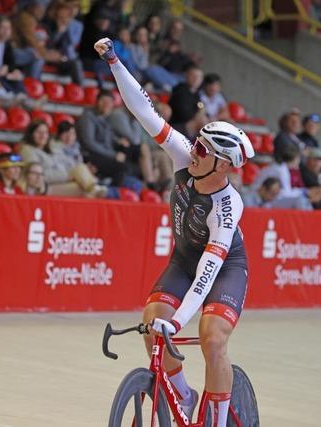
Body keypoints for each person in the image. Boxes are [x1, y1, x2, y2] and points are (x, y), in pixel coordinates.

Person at [95, 37, 256, 426]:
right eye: (197, 143)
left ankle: (217, 420)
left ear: (222, 166)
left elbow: (206, 277)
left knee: (212, 338)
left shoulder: (228, 206)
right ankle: (181, 394)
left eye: (202, 150)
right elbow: (144, 112)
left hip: (222, 269)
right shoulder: (185, 156)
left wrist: (179, 321)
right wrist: (115, 62)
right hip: (184, 260)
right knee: (152, 323)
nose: (193, 150)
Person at [19, 119, 107, 198]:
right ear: (31, 134)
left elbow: (66, 163)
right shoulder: (27, 150)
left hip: (61, 182)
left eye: (45, 132)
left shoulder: (50, 148)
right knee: (82, 188)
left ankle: (95, 189)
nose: (43, 136)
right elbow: (36, 176)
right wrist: (69, 175)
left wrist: (78, 172)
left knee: (83, 179)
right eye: (39, 132)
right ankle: (96, 188)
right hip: (44, 187)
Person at [250, 144, 312, 210]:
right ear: (294, 158)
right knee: (300, 201)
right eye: (299, 158)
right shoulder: (281, 170)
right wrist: (304, 191)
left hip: (264, 198)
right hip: (257, 199)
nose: (299, 161)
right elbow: (286, 194)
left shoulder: (280, 167)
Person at [0, 17, 26, 94]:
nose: (6, 31)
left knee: (17, 78)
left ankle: (25, 97)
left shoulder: (8, 45)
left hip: (3, 74)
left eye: (8, 28)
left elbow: (11, 63)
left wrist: (8, 68)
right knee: (5, 82)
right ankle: (13, 97)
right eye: (3, 27)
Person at [168, 63, 206, 138]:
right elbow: (184, 115)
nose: (196, 79)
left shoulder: (196, 93)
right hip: (174, 127)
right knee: (202, 123)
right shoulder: (180, 89)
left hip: (187, 126)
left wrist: (201, 112)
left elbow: (200, 107)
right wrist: (199, 113)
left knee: (206, 121)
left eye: (199, 77)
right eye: (193, 76)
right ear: (186, 76)